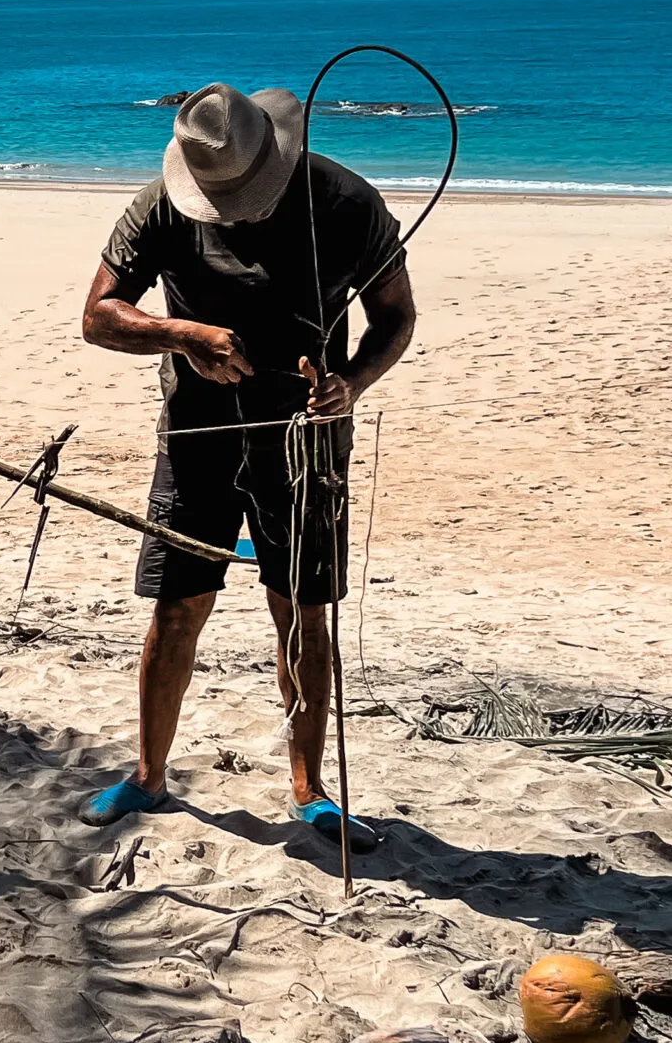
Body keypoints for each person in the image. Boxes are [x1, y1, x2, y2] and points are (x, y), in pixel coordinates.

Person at [77, 82, 418, 844]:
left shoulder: (345, 202)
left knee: (301, 611)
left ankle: (309, 788)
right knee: (178, 604)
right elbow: (99, 316)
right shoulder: (161, 206)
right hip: (196, 433)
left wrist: (353, 382)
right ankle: (149, 775)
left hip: (305, 437)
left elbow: (395, 315)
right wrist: (183, 336)